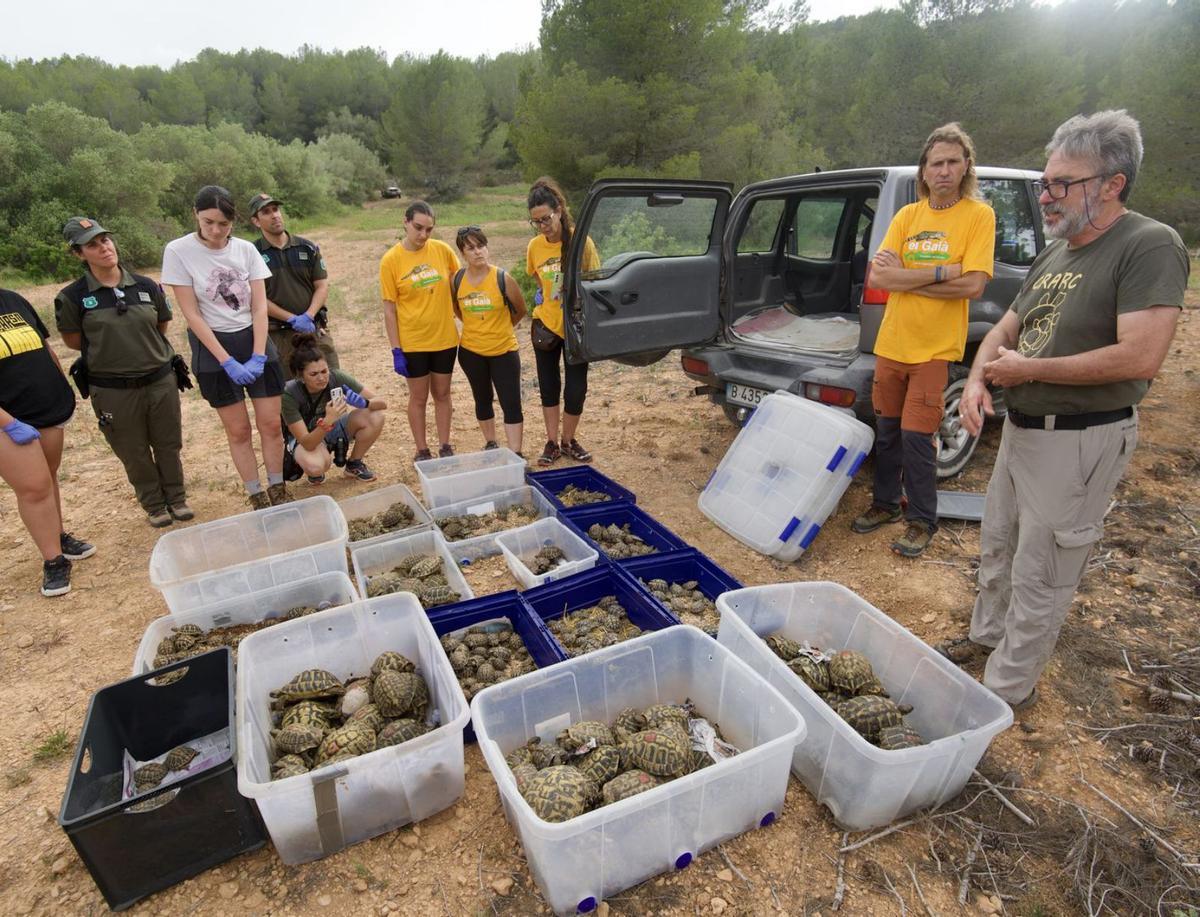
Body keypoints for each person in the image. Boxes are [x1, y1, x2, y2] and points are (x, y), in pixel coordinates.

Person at [945, 110, 1188, 711]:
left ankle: (1004, 694)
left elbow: (1141, 356)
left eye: (1061, 184)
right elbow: (1005, 328)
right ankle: (985, 643)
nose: (1046, 196)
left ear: (1112, 184)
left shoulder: (1148, 245)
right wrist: (978, 382)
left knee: (1042, 571)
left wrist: (1027, 370)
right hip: (1023, 432)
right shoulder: (1054, 256)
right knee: (999, 545)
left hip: (1079, 439)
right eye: (1044, 183)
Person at [851, 124, 996, 558]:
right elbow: (878, 276)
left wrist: (907, 280)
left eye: (954, 162)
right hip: (892, 344)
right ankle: (884, 504)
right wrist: (940, 271)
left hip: (934, 350)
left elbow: (973, 287)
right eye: (937, 163)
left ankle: (920, 520)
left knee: (918, 437)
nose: (945, 170)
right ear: (925, 170)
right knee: (887, 432)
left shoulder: (977, 216)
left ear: (966, 166)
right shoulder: (908, 216)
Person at [55, 217, 192, 528]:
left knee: (168, 443)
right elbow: (74, 341)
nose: (104, 247)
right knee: (133, 451)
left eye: (105, 239)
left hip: (159, 381)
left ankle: (178, 497)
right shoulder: (73, 297)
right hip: (113, 390)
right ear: (79, 254)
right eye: (93, 244)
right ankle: (155, 504)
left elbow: (160, 325)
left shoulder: (145, 286)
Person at [161, 185, 291, 509]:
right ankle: (256, 493)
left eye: (224, 223)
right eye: (208, 223)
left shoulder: (246, 250)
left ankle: (278, 487)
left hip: (254, 338)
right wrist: (227, 361)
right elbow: (191, 313)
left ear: (234, 220)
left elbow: (259, 306)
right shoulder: (178, 251)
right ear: (196, 215)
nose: (216, 231)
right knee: (239, 430)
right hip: (214, 345)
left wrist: (259, 354)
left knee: (271, 423)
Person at [0, 287, 94, 597]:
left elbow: (43, 347)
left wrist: (61, 385)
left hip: (44, 405)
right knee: (34, 487)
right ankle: (53, 561)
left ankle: (57, 535)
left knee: (49, 476)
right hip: (7, 417)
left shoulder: (12, 299)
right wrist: (8, 422)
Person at [526, 177, 601, 466]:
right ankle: (551, 443)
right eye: (537, 222)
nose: (543, 226)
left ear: (559, 209)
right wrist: (544, 296)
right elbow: (537, 279)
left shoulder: (582, 242)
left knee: (576, 388)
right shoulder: (534, 247)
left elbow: (595, 282)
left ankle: (569, 440)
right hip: (545, 325)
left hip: (575, 326)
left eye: (546, 218)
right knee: (548, 386)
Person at [379, 201, 461, 461]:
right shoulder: (391, 260)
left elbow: (460, 286)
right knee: (418, 397)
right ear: (405, 222)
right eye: (418, 228)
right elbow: (389, 309)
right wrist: (396, 349)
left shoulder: (443, 251)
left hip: (444, 338)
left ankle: (445, 445)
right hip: (413, 342)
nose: (423, 235)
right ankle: (422, 449)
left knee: (443, 394)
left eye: (429, 229)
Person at [451, 226, 528, 454]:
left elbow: (520, 310)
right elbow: (458, 310)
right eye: (471, 248)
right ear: (462, 253)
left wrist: (499, 328)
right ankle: (491, 443)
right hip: (471, 352)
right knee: (482, 398)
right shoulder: (457, 280)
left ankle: (516, 453)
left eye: (481, 245)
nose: (478, 252)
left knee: (511, 402)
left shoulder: (503, 278)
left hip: (503, 351)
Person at [248, 192, 339, 371]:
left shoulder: (307, 247)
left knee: (331, 383)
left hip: (313, 329)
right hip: (279, 336)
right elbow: (256, 298)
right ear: (256, 221)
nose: (274, 215)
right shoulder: (252, 253)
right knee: (290, 392)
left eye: (276, 209)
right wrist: (291, 318)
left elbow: (321, 285)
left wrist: (309, 316)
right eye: (266, 212)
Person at [282, 333, 387, 484]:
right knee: (317, 466)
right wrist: (328, 420)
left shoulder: (336, 377)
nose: (322, 378)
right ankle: (313, 463)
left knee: (375, 416)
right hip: (308, 437)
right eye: (314, 374)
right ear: (301, 376)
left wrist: (364, 403)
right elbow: (307, 442)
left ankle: (354, 464)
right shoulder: (289, 394)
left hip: (331, 429)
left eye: (324, 371)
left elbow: (382, 403)